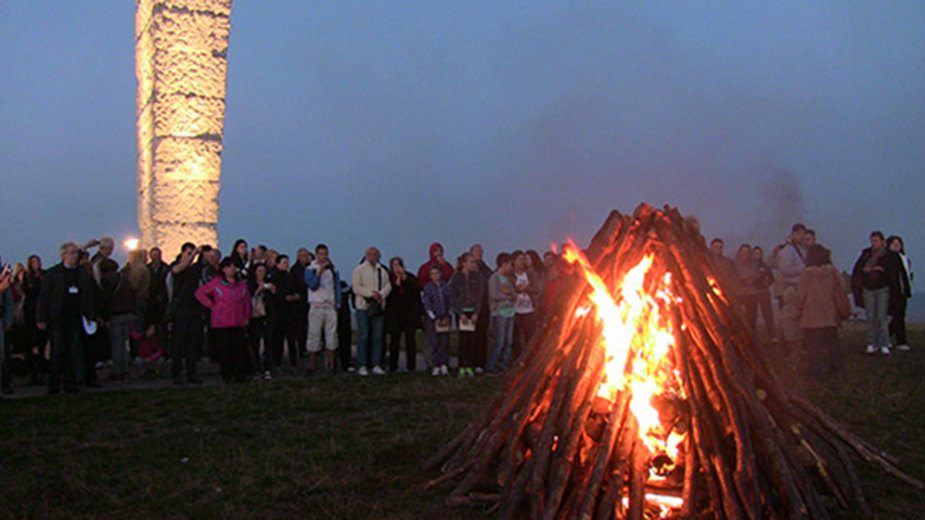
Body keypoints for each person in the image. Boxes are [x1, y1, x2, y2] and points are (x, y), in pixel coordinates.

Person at [37, 242, 96, 394]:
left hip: (75, 318)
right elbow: (44, 297)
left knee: (73, 351)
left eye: (76, 253)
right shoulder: (53, 274)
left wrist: (90, 315)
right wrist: (41, 318)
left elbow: (88, 296)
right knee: (57, 352)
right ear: (63, 255)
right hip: (57, 318)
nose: (75, 256)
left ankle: (71, 383)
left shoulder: (82, 274)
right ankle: (54, 385)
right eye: (72, 253)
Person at [797, 245, 851, 377]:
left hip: (811, 315)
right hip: (830, 314)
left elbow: (801, 295)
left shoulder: (806, 273)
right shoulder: (833, 271)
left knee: (813, 347)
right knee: (833, 345)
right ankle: (838, 370)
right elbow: (841, 289)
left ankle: (815, 373)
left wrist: (798, 308)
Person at [196, 257, 252, 383]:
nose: (232, 269)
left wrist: (246, 316)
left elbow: (247, 302)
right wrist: (212, 305)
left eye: (233, 266)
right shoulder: (216, 283)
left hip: (237, 321)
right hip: (221, 322)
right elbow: (200, 293)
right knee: (225, 350)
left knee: (238, 350)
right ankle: (227, 375)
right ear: (223, 269)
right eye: (229, 266)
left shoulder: (241, 285)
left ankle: (239, 375)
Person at [851, 231, 903, 355]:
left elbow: (892, 272)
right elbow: (859, 270)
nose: (873, 243)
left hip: (882, 288)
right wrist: (869, 270)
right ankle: (872, 343)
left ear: (882, 241)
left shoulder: (889, 256)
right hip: (868, 288)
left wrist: (878, 270)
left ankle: (884, 343)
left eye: (876, 241)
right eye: (872, 241)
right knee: (871, 316)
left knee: (881, 316)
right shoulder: (866, 254)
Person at [169, 243, 205, 385]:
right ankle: (176, 373)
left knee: (192, 343)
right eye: (188, 253)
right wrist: (193, 255)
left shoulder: (195, 269)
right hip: (181, 310)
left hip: (194, 309)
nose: (191, 255)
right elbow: (177, 270)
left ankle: (192, 373)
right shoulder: (176, 266)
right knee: (178, 343)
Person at [352, 247, 392, 376]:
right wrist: (370, 294)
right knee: (364, 336)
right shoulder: (359, 269)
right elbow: (356, 287)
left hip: (378, 307)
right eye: (370, 254)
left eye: (375, 254)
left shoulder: (382, 270)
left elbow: (388, 285)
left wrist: (380, 295)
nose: (372, 256)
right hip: (363, 307)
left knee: (377, 337)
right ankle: (362, 365)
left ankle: (376, 364)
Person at [304, 244, 341, 375]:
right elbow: (312, 285)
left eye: (325, 254)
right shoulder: (310, 269)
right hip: (316, 305)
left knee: (331, 335)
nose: (323, 257)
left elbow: (336, 287)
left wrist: (337, 303)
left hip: (329, 305)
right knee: (314, 335)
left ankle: (331, 365)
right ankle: (311, 366)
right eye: (320, 254)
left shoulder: (333, 269)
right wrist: (319, 273)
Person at [770, 224, 808, 349]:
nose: (801, 236)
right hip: (791, 289)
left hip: (800, 287)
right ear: (793, 234)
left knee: (800, 318)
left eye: (803, 234)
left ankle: (799, 343)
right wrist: (805, 268)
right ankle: (789, 345)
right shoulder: (787, 251)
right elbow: (785, 270)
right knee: (789, 319)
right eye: (799, 234)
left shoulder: (802, 249)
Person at [385, 257, 422, 373]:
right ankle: (393, 366)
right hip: (395, 315)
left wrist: (404, 279)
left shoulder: (410, 277)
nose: (397, 268)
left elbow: (416, 290)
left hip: (409, 315)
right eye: (394, 265)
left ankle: (411, 366)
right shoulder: (389, 279)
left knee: (410, 340)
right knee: (394, 341)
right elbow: (389, 297)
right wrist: (396, 285)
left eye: (398, 265)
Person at [450, 253, 485, 378]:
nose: (473, 264)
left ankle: (470, 366)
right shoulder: (456, 277)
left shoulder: (478, 277)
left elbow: (479, 296)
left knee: (472, 340)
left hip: (473, 312)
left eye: (474, 262)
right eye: (470, 262)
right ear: (464, 263)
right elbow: (453, 296)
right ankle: (461, 366)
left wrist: (476, 313)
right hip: (461, 313)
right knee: (463, 340)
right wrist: (460, 313)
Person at [106, 254, 138, 382]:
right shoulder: (124, 278)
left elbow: (106, 299)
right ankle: (125, 370)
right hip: (128, 313)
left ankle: (118, 371)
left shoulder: (107, 280)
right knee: (125, 343)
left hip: (115, 314)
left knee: (116, 344)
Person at [488, 253, 517, 374]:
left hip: (510, 313)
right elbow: (494, 294)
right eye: (510, 264)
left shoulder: (508, 279)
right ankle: (492, 366)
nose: (511, 267)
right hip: (500, 313)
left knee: (508, 341)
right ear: (504, 264)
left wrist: (511, 296)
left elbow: (514, 294)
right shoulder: (495, 278)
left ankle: (504, 365)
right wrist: (507, 296)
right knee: (499, 341)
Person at [21, 255, 47, 385]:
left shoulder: (44, 275)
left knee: (41, 344)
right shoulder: (27, 277)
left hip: (41, 313)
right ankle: (34, 374)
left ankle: (41, 372)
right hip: (30, 314)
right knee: (32, 345)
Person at [422, 265, 451, 376]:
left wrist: (447, 316)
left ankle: (444, 364)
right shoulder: (428, 287)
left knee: (444, 342)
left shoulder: (445, 286)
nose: (435, 276)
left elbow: (449, 301)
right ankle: (436, 365)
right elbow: (427, 303)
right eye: (433, 274)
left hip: (445, 316)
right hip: (433, 318)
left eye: (437, 273)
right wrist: (434, 318)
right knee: (434, 342)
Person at [511, 250, 540, 359]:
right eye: (520, 259)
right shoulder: (510, 275)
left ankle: (531, 359)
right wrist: (516, 290)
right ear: (514, 261)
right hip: (515, 310)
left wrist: (526, 288)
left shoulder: (530, 274)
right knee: (516, 338)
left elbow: (537, 289)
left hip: (529, 310)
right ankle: (517, 360)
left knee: (530, 336)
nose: (523, 262)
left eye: (524, 259)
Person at [247, 263, 275, 379]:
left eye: (263, 271)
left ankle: (267, 368)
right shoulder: (250, 285)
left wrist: (271, 289)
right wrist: (258, 289)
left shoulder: (270, 283)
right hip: (255, 317)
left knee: (268, 343)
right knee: (255, 343)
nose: (261, 273)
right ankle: (256, 368)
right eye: (259, 271)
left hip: (267, 316)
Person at [886, 235, 913, 351]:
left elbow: (908, 275)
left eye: (898, 244)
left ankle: (885, 337)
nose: (896, 246)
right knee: (898, 316)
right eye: (894, 244)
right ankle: (901, 341)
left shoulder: (905, 258)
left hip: (903, 291)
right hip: (894, 292)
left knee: (898, 315)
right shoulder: (890, 258)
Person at [469, 244, 493, 372]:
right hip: (469, 310)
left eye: (481, 251)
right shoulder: (465, 272)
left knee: (481, 336)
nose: (479, 253)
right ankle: (469, 362)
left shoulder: (485, 270)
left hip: (483, 309)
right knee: (469, 336)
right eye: (476, 251)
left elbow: (490, 278)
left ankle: (480, 363)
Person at [126, 249, 151, 361]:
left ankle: (136, 353)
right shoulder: (144, 268)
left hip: (137, 300)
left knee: (136, 328)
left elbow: (133, 286)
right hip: (143, 300)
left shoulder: (138, 269)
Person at [147, 247, 170, 356]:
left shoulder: (166, 268)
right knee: (150, 327)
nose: (155, 257)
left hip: (162, 302)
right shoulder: (147, 269)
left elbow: (168, 285)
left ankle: (164, 351)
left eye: (157, 255)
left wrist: (162, 295)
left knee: (162, 329)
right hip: (150, 302)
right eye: (153, 255)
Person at [750, 246, 777, 340]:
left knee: (767, 314)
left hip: (764, 292)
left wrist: (767, 282)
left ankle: (772, 335)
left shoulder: (765, 266)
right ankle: (752, 335)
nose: (757, 255)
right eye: (755, 253)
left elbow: (772, 278)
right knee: (752, 314)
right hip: (752, 293)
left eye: (759, 253)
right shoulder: (749, 266)